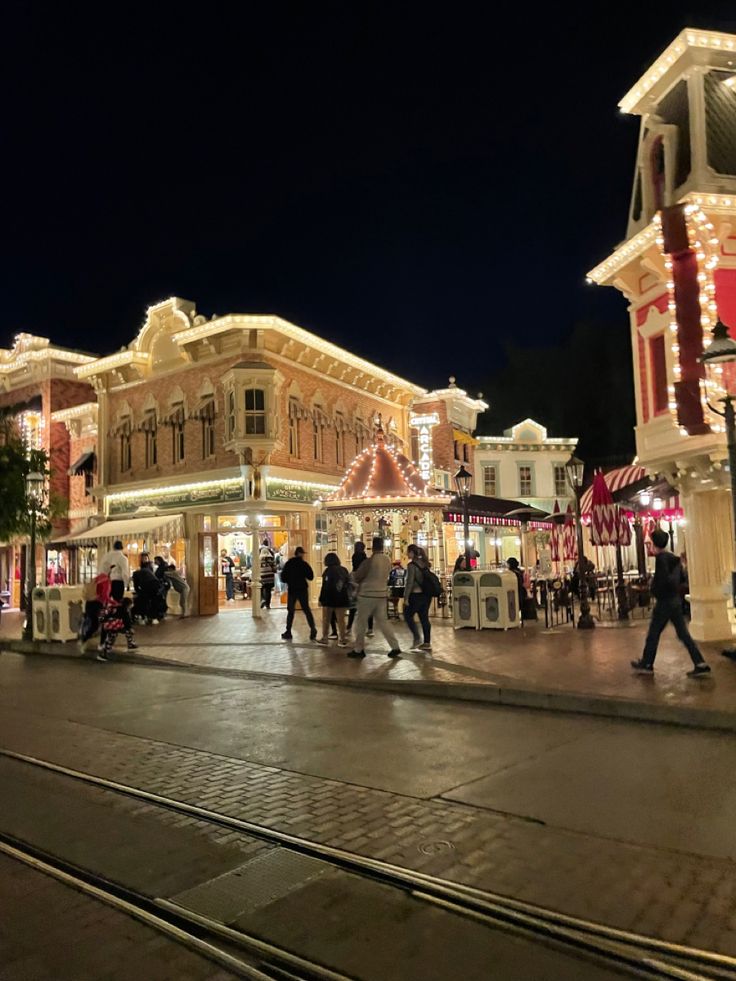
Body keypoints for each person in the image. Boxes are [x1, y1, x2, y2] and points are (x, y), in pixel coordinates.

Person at [631, 529, 710, 677]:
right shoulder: (674, 559)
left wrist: (653, 589)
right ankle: (700, 662)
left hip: (664, 602)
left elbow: (662, 581)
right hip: (675, 601)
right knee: (683, 634)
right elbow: (681, 579)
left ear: (654, 543)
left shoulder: (661, 559)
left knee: (653, 633)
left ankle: (647, 663)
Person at [347, 537, 401, 659]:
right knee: (383, 622)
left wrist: (352, 576)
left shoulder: (370, 561)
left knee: (361, 622)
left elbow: (358, 576)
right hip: (382, 594)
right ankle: (395, 646)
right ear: (382, 546)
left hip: (367, 594)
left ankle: (358, 649)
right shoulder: (387, 560)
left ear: (372, 546)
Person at [280, 546, 317, 640]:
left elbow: (283, 578)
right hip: (303, 589)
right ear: (301, 554)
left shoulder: (289, 563)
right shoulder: (304, 564)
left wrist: (290, 580)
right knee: (306, 610)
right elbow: (311, 576)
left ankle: (288, 631)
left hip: (292, 589)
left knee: (291, 611)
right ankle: (313, 629)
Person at [317, 552, 350, 647]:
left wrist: (321, 599)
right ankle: (342, 639)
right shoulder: (344, 570)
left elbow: (325, 587)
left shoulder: (328, 571)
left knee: (326, 619)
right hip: (342, 598)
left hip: (329, 599)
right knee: (341, 620)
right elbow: (347, 583)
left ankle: (325, 638)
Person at [404, 544, 432, 653]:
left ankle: (417, 638)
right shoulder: (425, 563)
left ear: (412, 552)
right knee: (424, 618)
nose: (407, 554)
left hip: (416, 595)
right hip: (426, 595)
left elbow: (409, 582)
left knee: (408, 615)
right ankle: (427, 642)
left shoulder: (412, 565)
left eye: (408, 552)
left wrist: (406, 597)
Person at [98, 596, 138, 661]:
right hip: (117, 626)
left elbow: (106, 616)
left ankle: (105, 652)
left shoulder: (115, 607)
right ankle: (131, 644)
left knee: (111, 638)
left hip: (109, 626)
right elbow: (127, 621)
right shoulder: (125, 611)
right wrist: (130, 628)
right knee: (128, 632)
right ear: (128, 605)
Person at [346, 541, 373, 635]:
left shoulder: (354, 556)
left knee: (353, 609)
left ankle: (349, 627)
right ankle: (370, 629)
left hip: (355, 579)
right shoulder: (365, 558)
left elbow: (355, 567)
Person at [132, 558, 163, 624]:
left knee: (143, 601)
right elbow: (156, 580)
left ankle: (143, 618)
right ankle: (154, 618)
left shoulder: (136, 573)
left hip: (146, 586)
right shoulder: (149, 572)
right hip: (155, 585)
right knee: (154, 601)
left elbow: (136, 585)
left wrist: (138, 592)